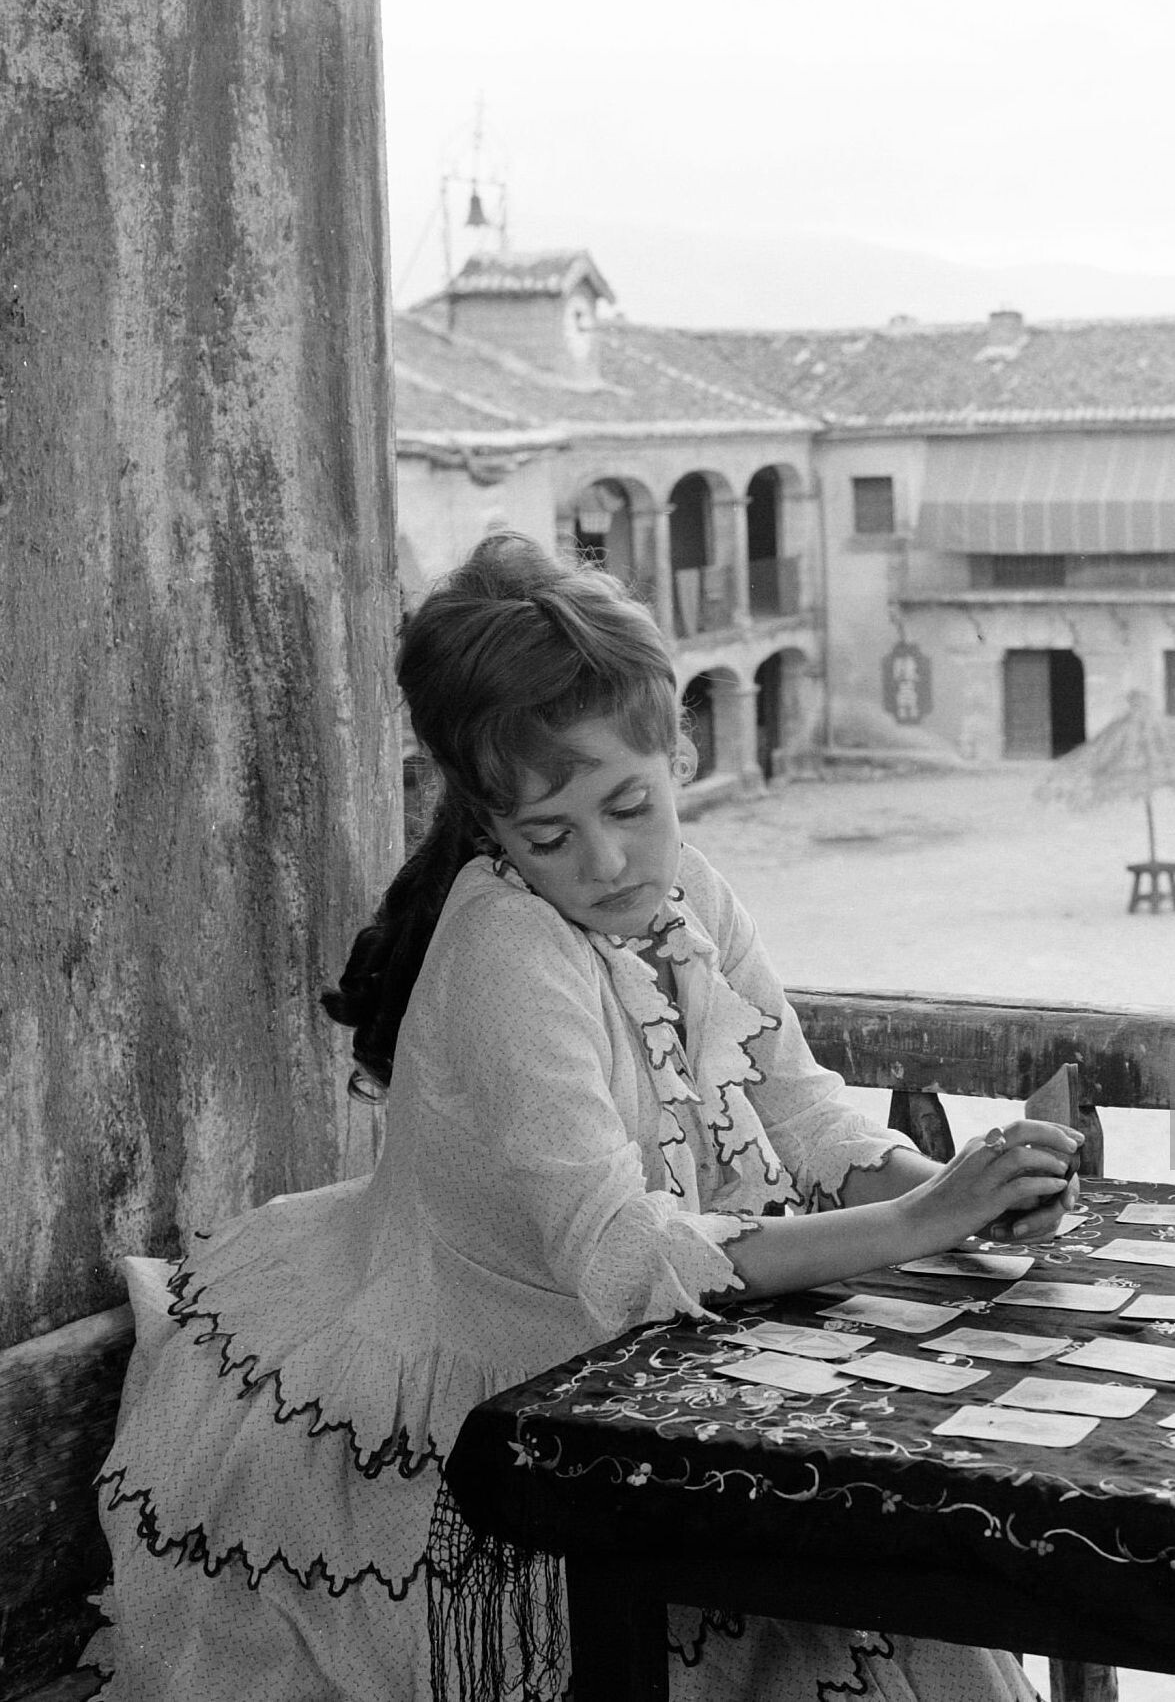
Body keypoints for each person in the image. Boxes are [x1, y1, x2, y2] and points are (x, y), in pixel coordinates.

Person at [88, 533, 1081, 1702]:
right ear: (489, 827)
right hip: (496, 1392)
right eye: (548, 836)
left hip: (650, 1359)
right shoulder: (506, 946)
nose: (607, 861)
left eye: (630, 805)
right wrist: (916, 1223)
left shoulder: (691, 892)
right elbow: (619, 1254)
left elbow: (795, 1105)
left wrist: (959, 1190)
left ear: (679, 753)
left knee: (903, 1594)